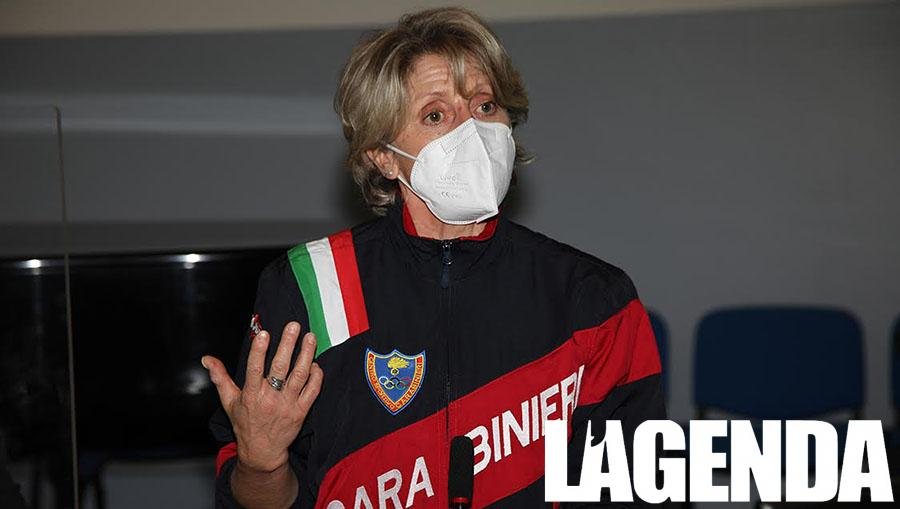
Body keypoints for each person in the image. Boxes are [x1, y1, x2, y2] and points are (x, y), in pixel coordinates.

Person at [202, 7, 664, 508]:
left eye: (485, 106)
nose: (473, 132)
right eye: (436, 116)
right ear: (383, 155)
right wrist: (262, 464)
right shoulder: (309, 286)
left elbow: (636, 489)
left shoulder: (592, 298)